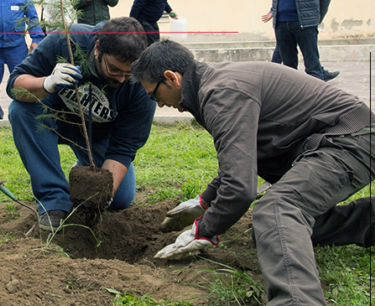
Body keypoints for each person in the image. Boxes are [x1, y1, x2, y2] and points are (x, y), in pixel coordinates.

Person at [131, 40, 374, 305]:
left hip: (350, 138)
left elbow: (240, 188)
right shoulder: (212, 87)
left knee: (275, 210)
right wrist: (204, 201)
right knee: (272, 232)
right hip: (324, 142)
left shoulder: (221, 93)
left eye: (154, 95)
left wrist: (203, 229)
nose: (160, 105)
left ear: (171, 78)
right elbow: (241, 159)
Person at [6, 17, 155, 231]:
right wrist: (46, 83)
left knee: (119, 199)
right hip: (53, 118)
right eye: (114, 69)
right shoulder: (66, 42)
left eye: (128, 73)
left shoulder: (141, 83)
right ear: (97, 48)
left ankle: (83, 168)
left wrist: (98, 196)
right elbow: (14, 86)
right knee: (21, 109)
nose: (122, 79)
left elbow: (124, 147)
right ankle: (53, 201)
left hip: (99, 135)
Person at [262, 8, 339, 82]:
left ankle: (318, 83)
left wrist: (315, 17)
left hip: (304, 21)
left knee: (311, 62)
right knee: (288, 65)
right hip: (282, 21)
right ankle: (272, 75)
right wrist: (273, 10)